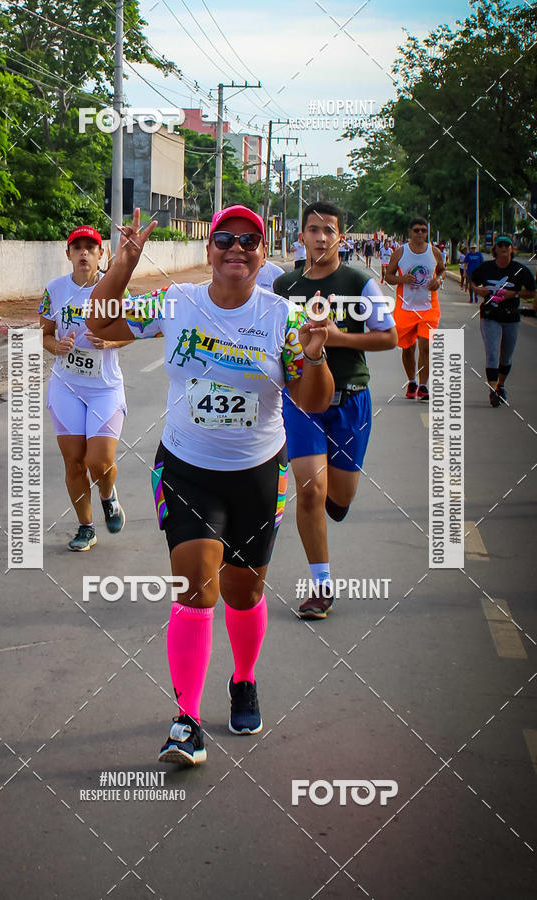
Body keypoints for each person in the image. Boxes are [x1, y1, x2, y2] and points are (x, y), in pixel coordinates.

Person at [86, 205, 333, 765]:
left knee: (243, 594)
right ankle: (187, 720)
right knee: (196, 586)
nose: (236, 249)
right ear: (209, 250)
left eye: (250, 241)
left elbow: (313, 401)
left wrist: (314, 359)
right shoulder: (175, 303)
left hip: (256, 476)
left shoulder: (283, 320)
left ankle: (243, 679)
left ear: (263, 254)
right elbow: (98, 324)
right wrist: (123, 262)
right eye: (225, 239)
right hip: (186, 470)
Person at [272, 201, 397, 619]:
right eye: (313, 229)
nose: (321, 237)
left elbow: (389, 338)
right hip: (302, 402)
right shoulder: (284, 287)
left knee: (338, 499)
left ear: (340, 237)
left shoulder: (360, 282)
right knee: (309, 491)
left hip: (350, 399)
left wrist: (338, 339)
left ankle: (332, 499)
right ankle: (321, 587)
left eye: (329, 230)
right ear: (302, 236)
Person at [39, 226, 131, 550]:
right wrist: (56, 347)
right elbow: (46, 334)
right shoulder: (55, 289)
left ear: (101, 253)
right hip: (66, 386)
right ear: (68, 254)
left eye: (90, 248)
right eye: (76, 248)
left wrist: (110, 340)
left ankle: (108, 495)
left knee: (99, 461)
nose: (83, 254)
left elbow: (133, 331)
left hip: (105, 389)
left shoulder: (115, 288)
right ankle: (86, 527)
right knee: (74, 461)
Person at [470, 235, 535, 406]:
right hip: (490, 315)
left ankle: (501, 385)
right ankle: (493, 392)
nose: (504, 248)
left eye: (507, 245)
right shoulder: (486, 268)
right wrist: (478, 291)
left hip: (511, 316)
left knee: (506, 357)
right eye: (500, 245)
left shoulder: (520, 270)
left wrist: (515, 294)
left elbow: (531, 292)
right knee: (492, 353)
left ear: (512, 248)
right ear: (495, 249)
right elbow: (473, 282)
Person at [385, 216, 446, 401]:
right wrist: (401, 279)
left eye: (424, 230)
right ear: (410, 232)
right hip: (405, 307)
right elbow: (388, 276)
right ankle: (411, 381)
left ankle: (423, 385)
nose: (421, 233)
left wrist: (438, 280)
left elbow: (442, 270)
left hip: (429, 307)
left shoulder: (434, 252)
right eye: (417, 230)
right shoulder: (400, 252)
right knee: (408, 348)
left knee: (426, 346)